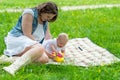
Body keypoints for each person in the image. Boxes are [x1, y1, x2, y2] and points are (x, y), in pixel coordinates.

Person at [1, 1, 58, 76]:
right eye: (48, 16)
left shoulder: (45, 21)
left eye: (50, 18)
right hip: (18, 38)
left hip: (33, 45)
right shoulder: (29, 13)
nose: (48, 19)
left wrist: (53, 48)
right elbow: (27, 33)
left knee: (44, 59)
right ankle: (12, 68)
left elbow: (48, 36)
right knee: (40, 48)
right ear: (43, 10)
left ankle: (6, 60)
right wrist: (42, 48)